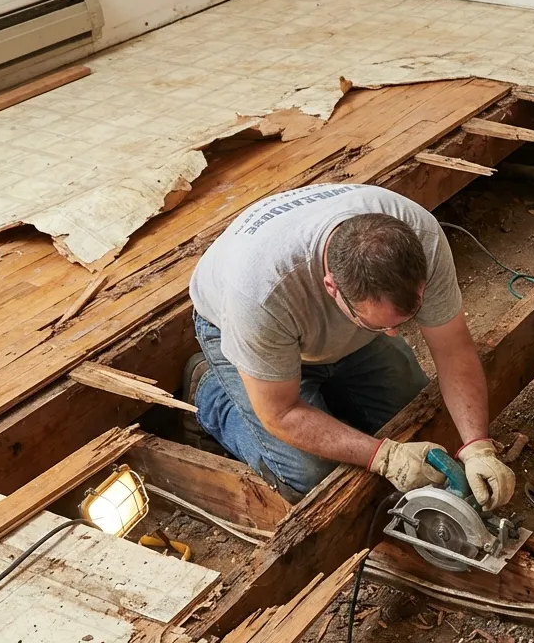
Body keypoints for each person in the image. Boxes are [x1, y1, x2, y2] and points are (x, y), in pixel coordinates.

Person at [185, 183, 515, 509]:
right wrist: (383, 457)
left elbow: (454, 350)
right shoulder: (261, 294)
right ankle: (210, 392)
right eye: (380, 325)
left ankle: (328, 392)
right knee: (315, 477)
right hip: (243, 330)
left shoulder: (422, 238)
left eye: (405, 320)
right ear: (332, 288)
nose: (394, 334)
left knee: (418, 422)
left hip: (320, 328)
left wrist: (477, 446)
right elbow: (280, 413)